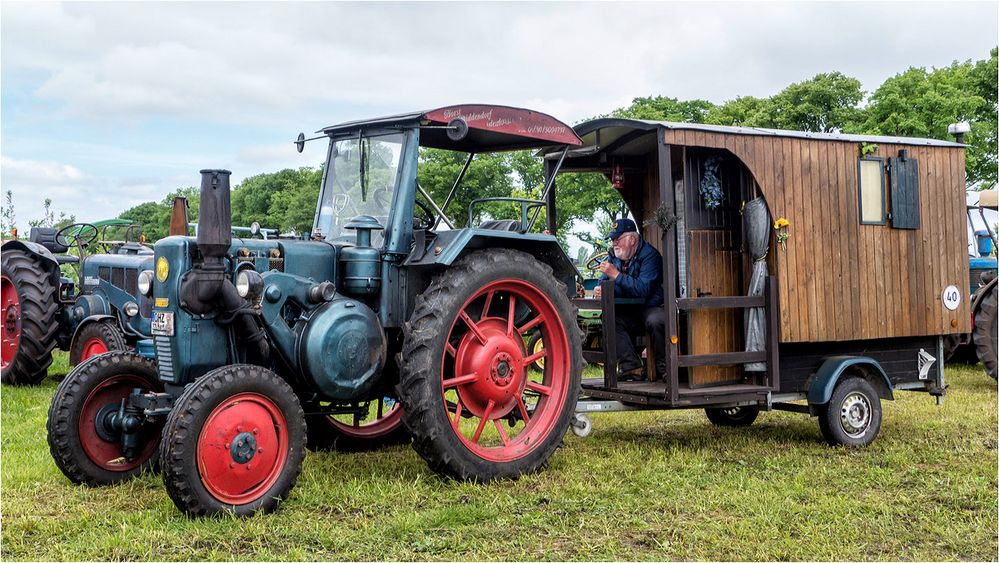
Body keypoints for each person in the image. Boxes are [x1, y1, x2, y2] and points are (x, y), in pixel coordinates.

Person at [594, 218, 667, 381]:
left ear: (632, 239)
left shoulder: (651, 256)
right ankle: (631, 367)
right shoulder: (614, 255)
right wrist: (600, 289)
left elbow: (643, 290)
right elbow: (603, 280)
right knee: (609, 318)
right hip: (630, 310)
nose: (614, 243)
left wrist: (616, 276)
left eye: (617, 239)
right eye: (613, 239)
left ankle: (665, 369)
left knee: (657, 320)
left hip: (650, 307)